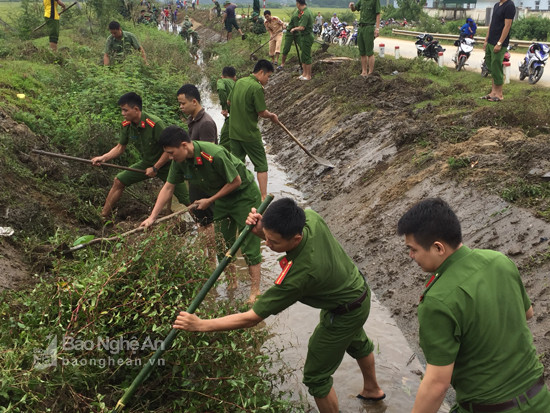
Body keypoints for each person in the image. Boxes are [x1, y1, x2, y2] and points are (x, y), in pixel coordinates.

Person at [173, 198, 386, 413]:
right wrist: (262, 228)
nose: (267, 244)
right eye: (266, 238)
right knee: (357, 342)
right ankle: (372, 390)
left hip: (344, 312)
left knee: (316, 377)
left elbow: (252, 318)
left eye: (272, 242)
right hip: (358, 292)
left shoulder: (299, 276)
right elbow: (281, 238)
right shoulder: (311, 218)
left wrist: (200, 324)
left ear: (296, 238)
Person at [397, 198, 550, 413]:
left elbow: (437, 385)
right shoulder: (498, 260)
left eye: (412, 249)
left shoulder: (437, 301)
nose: (411, 256)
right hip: (540, 399)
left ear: (438, 247)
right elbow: (528, 313)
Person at [140, 126, 263, 302]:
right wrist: (152, 217)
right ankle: (232, 284)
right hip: (222, 200)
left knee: (249, 244)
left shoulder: (214, 154)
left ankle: (255, 292)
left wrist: (210, 200)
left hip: (244, 196)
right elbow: (168, 187)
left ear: (184, 145)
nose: (170, 157)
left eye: (171, 153)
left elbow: (236, 181)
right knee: (222, 244)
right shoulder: (179, 162)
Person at [91, 93, 189, 219]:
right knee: (119, 181)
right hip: (147, 163)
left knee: (186, 199)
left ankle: (205, 226)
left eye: (125, 110)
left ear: (136, 109)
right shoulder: (127, 125)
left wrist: (155, 168)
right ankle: (103, 216)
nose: (123, 113)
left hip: (168, 165)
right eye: (122, 110)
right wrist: (103, 157)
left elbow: (169, 150)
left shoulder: (155, 124)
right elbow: (120, 147)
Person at [228, 59, 278, 200]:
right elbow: (262, 112)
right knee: (261, 165)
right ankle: (263, 196)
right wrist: (272, 116)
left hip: (234, 132)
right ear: (261, 72)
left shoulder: (239, 82)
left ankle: (238, 193)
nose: (268, 80)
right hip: (249, 134)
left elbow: (229, 101)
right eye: (268, 76)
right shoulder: (256, 87)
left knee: (237, 164)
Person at [481, 0, 515, 102]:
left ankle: (499, 94)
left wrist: (499, 43)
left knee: (496, 65)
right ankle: (492, 93)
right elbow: (492, 23)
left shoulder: (509, 5)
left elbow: (507, 25)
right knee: (490, 64)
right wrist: (486, 39)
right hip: (491, 40)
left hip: (499, 42)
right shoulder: (496, 5)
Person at [349, 0, 381, 77]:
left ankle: (370, 72)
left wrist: (377, 28)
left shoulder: (375, 1)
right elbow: (354, 9)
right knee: (362, 51)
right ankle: (364, 72)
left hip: (369, 27)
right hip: (361, 27)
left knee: (369, 51)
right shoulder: (362, 1)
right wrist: (352, 6)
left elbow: (378, 14)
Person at [290, 0, 314, 81]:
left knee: (307, 56)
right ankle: (304, 73)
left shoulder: (306, 13)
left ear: (298, 4)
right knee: (303, 55)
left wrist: (294, 29)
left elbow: (302, 27)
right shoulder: (303, 12)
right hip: (303, 36)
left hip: (307, 36)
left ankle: (308, 75)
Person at [216, 66, 237, 152]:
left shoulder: (221, 81)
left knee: (223, 144)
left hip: (232, 118)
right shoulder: (237, 83)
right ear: (234, 77)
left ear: (222, 76)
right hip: (242, 118)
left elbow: (221, 89)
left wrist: (224, 107)